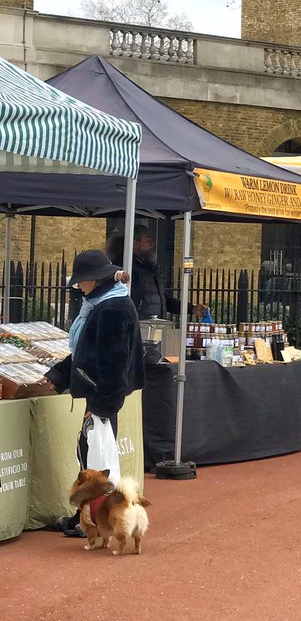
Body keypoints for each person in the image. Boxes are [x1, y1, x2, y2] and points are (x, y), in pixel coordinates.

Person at [43, 250, 141, 537]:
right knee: (92, 459)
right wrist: (59, 375)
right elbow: (87, 353)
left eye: (81, 281)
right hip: (100, 395)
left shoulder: (112, 309)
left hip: (103, 397)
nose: (78, 286)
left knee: (96, 464)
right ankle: (86, 516)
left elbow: (112, 364)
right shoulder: (103, 304)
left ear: (94, 280)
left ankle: (95, 520)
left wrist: (100, 405)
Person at [107, 226, 207, 321]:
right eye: (148, 240)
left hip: (153, 327)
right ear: (135, 244)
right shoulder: (125, 266)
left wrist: (191, 309)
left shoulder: (149, 269)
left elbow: (163, 300)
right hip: (139, 326)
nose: (152, 245)